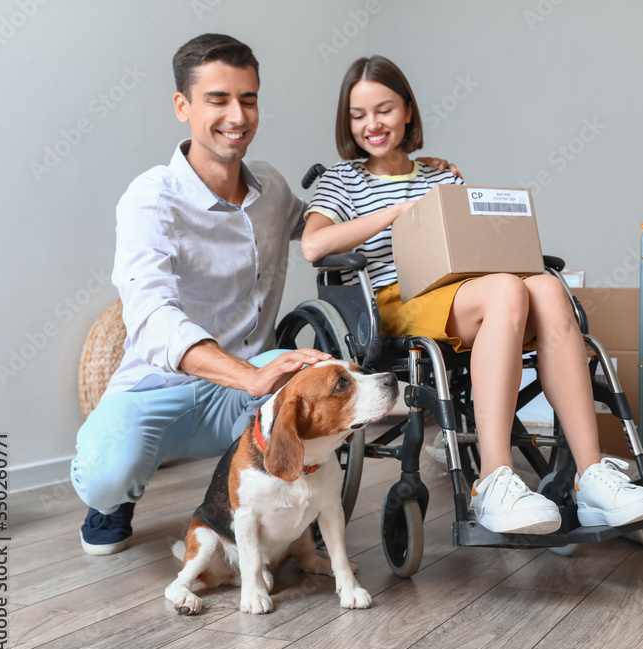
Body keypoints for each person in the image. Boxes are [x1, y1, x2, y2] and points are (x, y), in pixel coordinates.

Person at [70, 35, 454, 555]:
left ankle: (304, 496)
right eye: (218, 99)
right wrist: (248, 375)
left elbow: (321, 229)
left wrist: (399, 171)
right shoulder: (150, 198)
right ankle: (115, 500)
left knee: (320, 373)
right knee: (103, 475)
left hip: (252, 386)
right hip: (159, 388)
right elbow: (152, 315)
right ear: (182, 106)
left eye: (248, 99)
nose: (237, 114)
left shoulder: (270, 189)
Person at [302, 55, 643, 535]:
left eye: (384, 110)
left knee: (549, 289)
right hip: (393, 298)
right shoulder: (342, 181)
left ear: (408, 111)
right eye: (358, 114)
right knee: (506, 291)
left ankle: (592, 475)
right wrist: (395, 214)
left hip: (462, 290)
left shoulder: (442, 178)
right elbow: (314, 245)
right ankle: (493, 480)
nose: (372, 125)